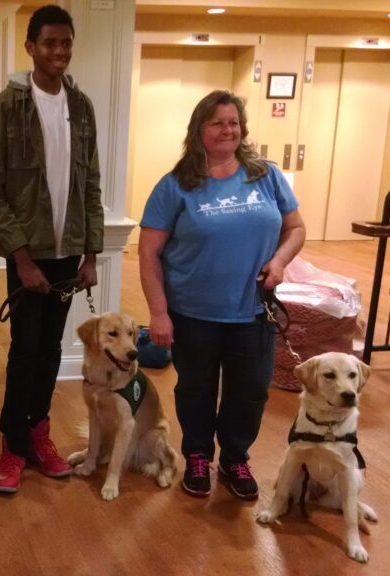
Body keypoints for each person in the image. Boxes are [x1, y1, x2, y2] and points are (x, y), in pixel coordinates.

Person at [138, 89, 306, 500]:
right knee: (195, 388)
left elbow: (296, 229)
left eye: (233, 122)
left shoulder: (266, 176)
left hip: (253, 311)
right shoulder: (175, 186)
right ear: (199, 131)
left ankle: (234, 458)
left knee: (249, 390)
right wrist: (159, 314)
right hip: (193, 312)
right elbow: (148, 251)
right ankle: (197, 455)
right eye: (217, 123)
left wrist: (281, 261)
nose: (227, 130)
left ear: (242, 129)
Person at [0, 4, 104, 495]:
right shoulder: (8, 105)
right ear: (31, 47)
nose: (59, 52)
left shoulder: (84, 107)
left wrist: (91, 255)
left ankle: (39, 434)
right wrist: (22, 259)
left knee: (51, 348)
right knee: (25, 350)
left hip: (68, 253)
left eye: (66, 43)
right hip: (27, 256)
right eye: (50, 42)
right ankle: (13, 446)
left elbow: (90, 184)